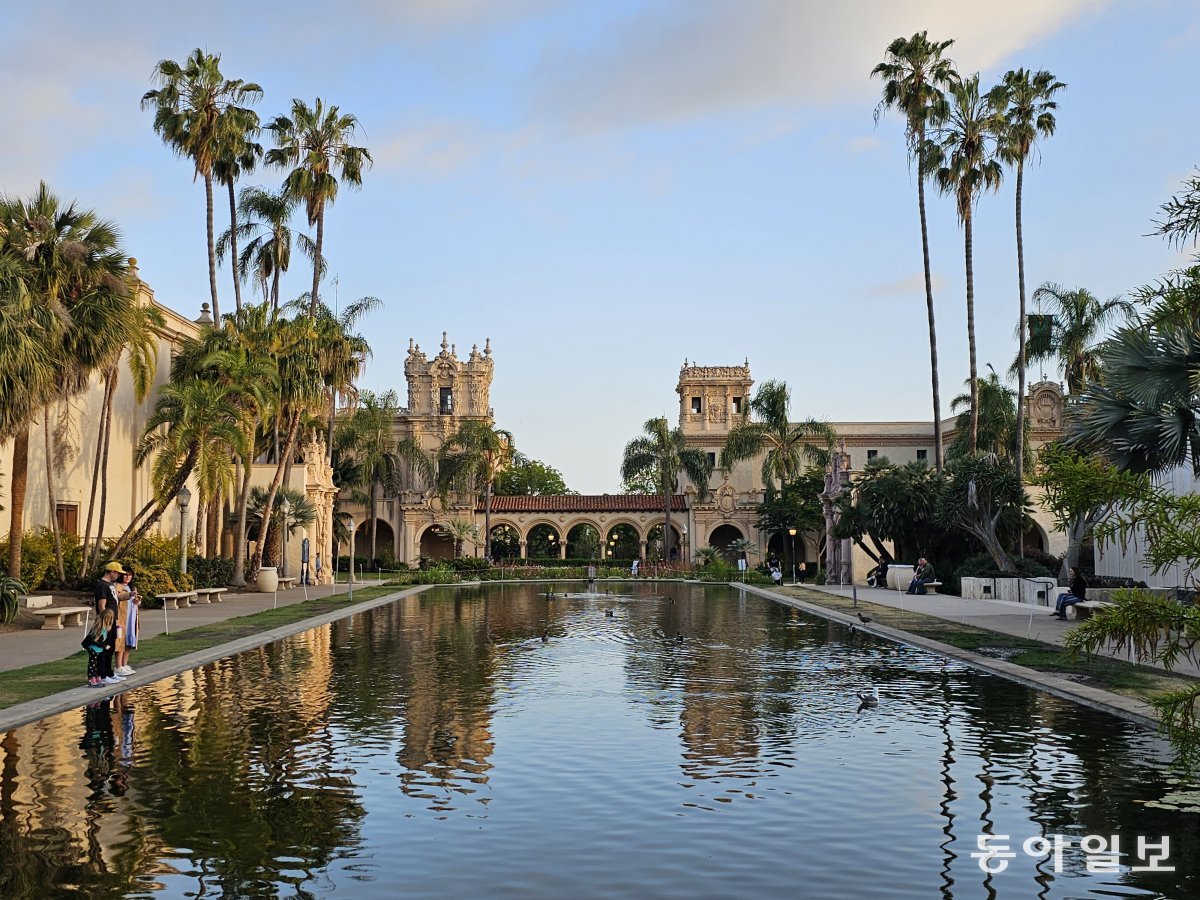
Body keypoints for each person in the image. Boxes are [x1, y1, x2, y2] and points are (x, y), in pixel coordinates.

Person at [83, 609, 121, 686]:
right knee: (93, 664)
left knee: (99, 664)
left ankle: (98, 677)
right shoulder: (98, 628)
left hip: (99, 649)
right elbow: (95, 640)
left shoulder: (105, 628)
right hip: (93, 649)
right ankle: (91, 679)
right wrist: (104, 646)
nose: (111, 621)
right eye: (110, 619)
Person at [114, 570, 140, 676]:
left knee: (129, 641)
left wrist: (137, 601)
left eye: (130, 575)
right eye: (125, 575)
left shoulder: (132, 587)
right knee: (120, 642)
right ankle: (118, 666)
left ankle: (124, 664)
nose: (128, 577)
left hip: (132, 618)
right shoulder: (117, 586)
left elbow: (135, 601)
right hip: (122, 618)